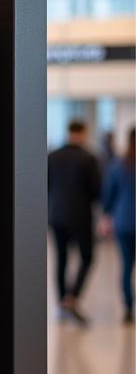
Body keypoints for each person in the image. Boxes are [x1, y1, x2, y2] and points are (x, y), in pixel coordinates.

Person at [48, 119, 101, 324]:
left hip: (56, 215)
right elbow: (97, 192)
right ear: (84, 133)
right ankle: (72, 298)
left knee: (61, 259)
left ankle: (62, 302)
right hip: (80, 217)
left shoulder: (52, 157)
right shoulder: (88, 159)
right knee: (87, 257)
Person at [101, 126, 135, 324]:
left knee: (127, 266)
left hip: (123, 222)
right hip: (125, 222)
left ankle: (128, 308)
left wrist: (106, 215)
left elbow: (108, 195)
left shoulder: (118, 164)